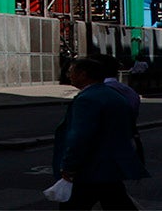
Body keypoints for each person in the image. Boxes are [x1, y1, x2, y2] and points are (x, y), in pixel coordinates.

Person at [49, 55, 145, 209]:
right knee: (116, 201)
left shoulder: (87, 99)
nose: (69, 76)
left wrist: (69, 166)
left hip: (89, 168)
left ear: (83, 74)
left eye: (72, 72)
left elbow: (79, 136)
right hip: (111, 166)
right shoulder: (115, 96)